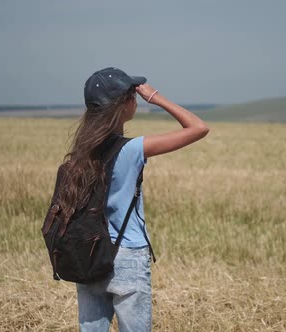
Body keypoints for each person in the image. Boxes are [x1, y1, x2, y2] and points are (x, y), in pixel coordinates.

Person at [60, 67, 209, 332]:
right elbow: (198, 127)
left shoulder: (82, 152)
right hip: (127, 256)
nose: (136, 99)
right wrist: (157, 98)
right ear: (122, 105)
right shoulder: (131, 150)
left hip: (89, 253)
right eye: (132, 95)